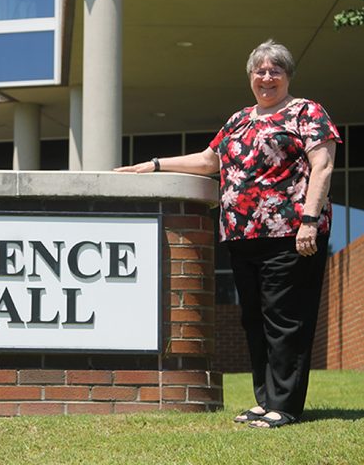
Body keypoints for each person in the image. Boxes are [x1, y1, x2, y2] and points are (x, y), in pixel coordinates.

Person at [115, 39, 340, 429]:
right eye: (260, 70)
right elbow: (209, 160)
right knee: (254, 319)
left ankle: (284, 406)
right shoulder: (239, 119)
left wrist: (309, 220)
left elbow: (322, 165)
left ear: (287, 75)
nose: (266, 77)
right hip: (241, 235)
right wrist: (153, 165)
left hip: (289, 233)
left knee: (285, 319)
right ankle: (264, 400)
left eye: (275, 70)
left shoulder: (306, 112)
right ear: (250, 76)